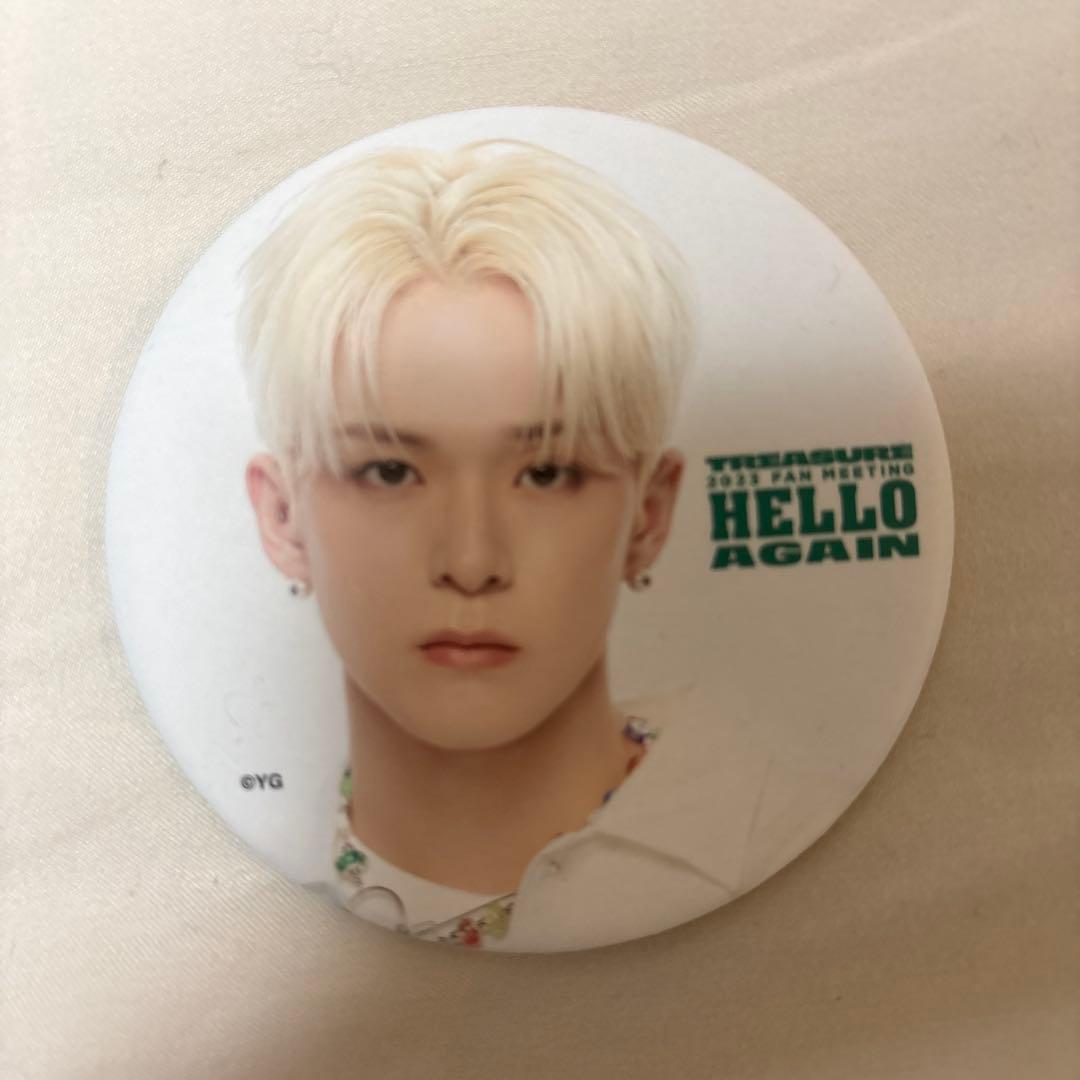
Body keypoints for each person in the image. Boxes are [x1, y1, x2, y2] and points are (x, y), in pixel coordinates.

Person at [237, 138, 817, 953]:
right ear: (282, 518)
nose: (472, 563)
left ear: (648, 516)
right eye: (389, 471)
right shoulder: (226, 898)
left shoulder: (798, 841)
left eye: (546, 473)